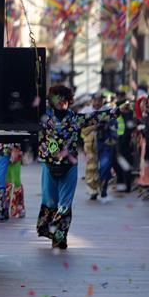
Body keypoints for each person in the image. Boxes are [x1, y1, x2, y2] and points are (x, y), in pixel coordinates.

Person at [36, 84, 113, 250]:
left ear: (69, 100)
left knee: (65, 202)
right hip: (49, 165)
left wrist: (117, 111)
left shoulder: (75, 118)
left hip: (69, 166)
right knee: (49, 200)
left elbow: (96, 117)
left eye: (64, 99)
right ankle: (48, 229)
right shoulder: (43, 117)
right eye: (57, 98)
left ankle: (60, 237)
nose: (61, 102)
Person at [81, 93, 104, 201]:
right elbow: (81, 128)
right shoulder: (85, 111)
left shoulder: (106, 110)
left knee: (103, 167)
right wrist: (93, 127)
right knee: (91, 166)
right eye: (96, 100)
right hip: (89, 144)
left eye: (100, 100)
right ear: (92, 101)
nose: (97, 103)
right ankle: (92, 190)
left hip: (104, 143)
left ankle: (101, 187)